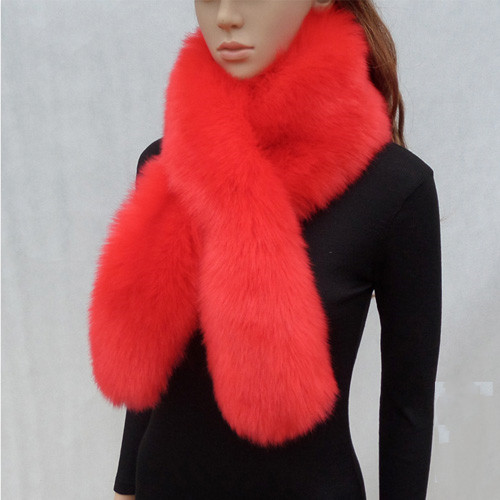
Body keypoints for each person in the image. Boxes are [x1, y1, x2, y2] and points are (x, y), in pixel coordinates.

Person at [88, 1, 442, 499]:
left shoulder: (396, 189)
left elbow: (408, 401)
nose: (226, 15)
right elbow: (155, 362)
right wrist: (125, 489)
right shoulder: (167, 164)